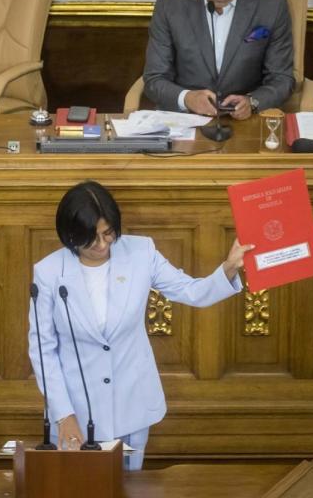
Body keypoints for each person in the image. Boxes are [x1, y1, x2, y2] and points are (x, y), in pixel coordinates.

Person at [28, 181, 253, 471]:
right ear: (70, 235)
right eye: (91, 238)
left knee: (130, 486)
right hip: (77, 412)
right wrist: (63, 415)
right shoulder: (47, 272)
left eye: (108, 233)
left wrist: (230, 266)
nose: (102, 245)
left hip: (132, 403)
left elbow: (191, 291)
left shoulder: (141, 252)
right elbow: (43, 351)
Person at [143, 0, 294, 120]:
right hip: (186, 121)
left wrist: (253, 101)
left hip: (245, 122)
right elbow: (154, 79)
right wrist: (187, 98)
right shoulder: (170, 4)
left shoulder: (272, 5)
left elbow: (282, 78)